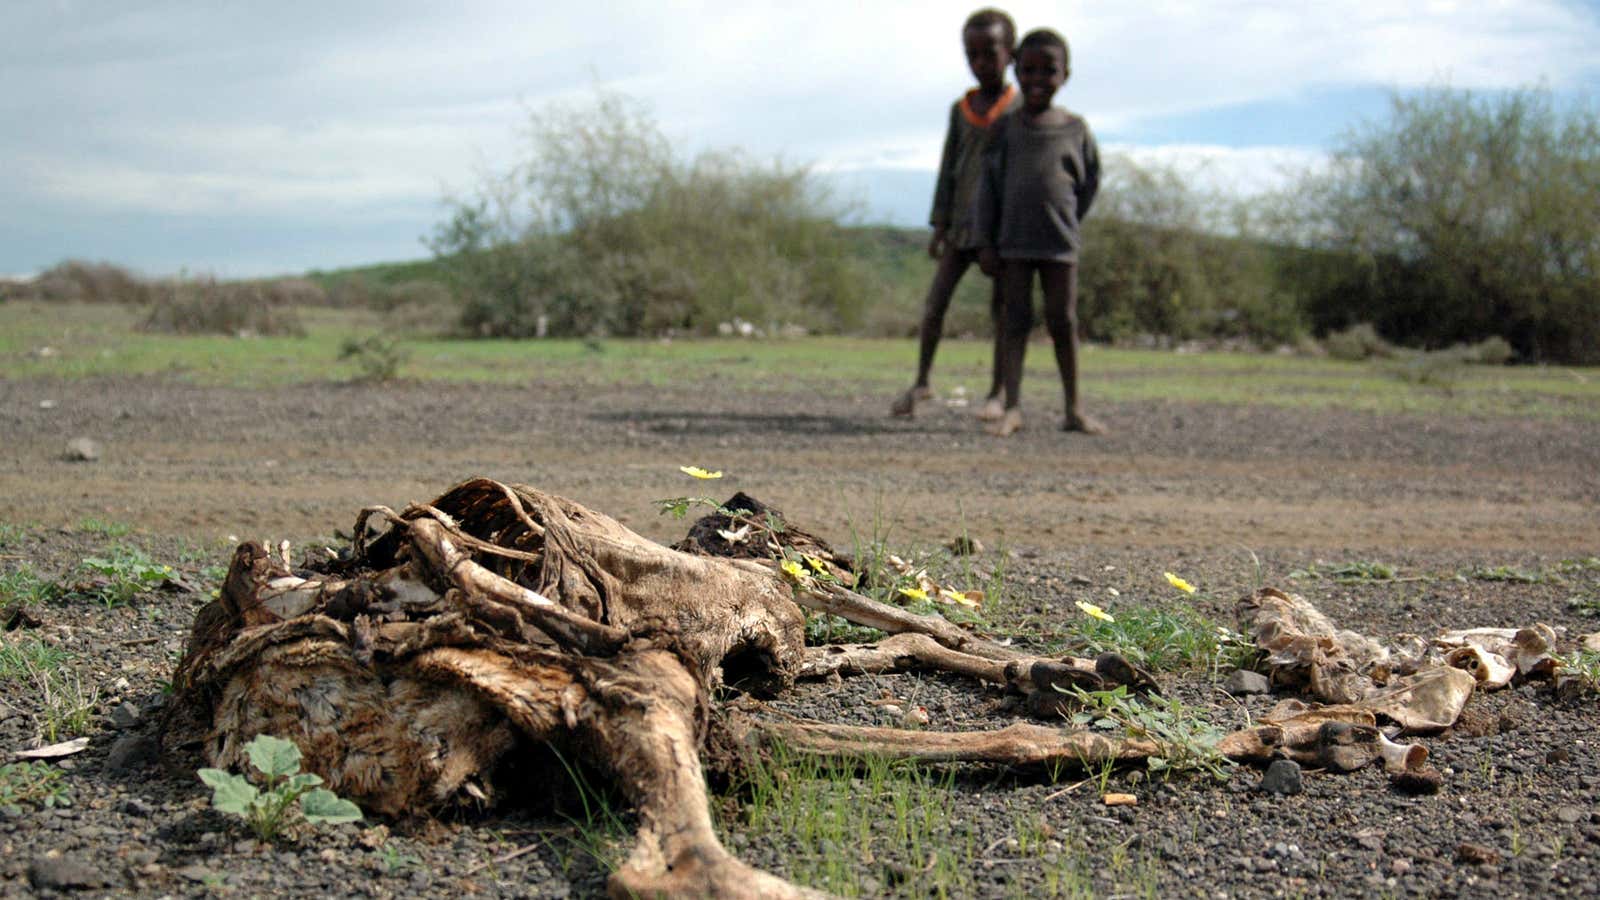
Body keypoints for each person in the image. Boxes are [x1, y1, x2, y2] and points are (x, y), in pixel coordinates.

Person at [891, 8, 1020, 420]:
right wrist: (939, 224)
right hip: (961, 226)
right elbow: (949, 167)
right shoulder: (960, 109)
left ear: (1010, 53)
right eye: (972, 54)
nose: (981, 63)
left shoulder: (1019, 110)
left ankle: (999, 392)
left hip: (1000, 232)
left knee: (1002, 311)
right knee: (934, 306)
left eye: (990, 53)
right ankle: (922, 381)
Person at [973, 27, 1103, 437]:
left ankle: (1074, 410)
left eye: (1048, 71)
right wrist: (986, 241)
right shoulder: (1005, 129)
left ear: (1066, 75)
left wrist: (1066, 221)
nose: (1037, 80)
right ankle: (1012, 407)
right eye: (1027, 70)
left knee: (1063, 321)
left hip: (1059, 244)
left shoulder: (1076, 129)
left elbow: (1088, 184)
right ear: (1015, 70)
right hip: (1013, 243)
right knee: (1014, 322)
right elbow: (987, 189)